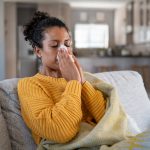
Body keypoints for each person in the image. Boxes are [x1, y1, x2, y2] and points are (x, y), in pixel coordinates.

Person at [17, 11, 106, 145]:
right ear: (38, 51)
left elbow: (107, 120)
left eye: (67, 44)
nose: (64, 50)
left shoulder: (82, 79)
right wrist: (74, 83)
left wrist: (82, 82)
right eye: (54, 45)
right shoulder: (29, 85)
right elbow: (61, 132)